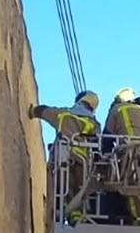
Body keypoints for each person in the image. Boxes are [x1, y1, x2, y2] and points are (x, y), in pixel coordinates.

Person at [29, 90, 101, 225]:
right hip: (82, 162)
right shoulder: (94, 124)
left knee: (62, 189)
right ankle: (76, 217)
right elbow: (97, 144)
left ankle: (59, 212)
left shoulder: (64, 114)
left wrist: (33, 111)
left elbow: (45, 111)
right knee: (79, 192)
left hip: (61, 159)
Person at [102, 87, 140, 225]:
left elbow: (107, 138)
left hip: (129, 153)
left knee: (127, 186)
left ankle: (134, 221)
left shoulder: (118, 109)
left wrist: (101, 156)